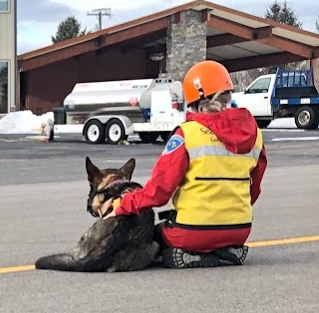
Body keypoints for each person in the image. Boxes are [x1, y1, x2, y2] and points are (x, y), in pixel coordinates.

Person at [110, 60, 265, 267]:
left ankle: (190, 255)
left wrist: (122, 205)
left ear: (193, 100)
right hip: (239, 229)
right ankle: (226, 250)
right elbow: (253, 190)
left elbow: (159, 192)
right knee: (219, 234)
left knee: (154, 237)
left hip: (192, 232)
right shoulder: (254, 135)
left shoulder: (187, 134)